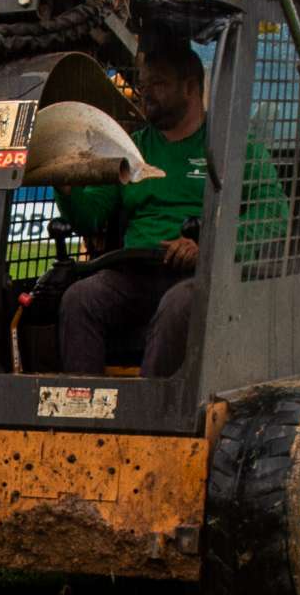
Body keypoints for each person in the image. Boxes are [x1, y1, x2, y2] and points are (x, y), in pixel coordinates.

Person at [51, 37, 220, 378]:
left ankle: (148, 412)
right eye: (143, 85)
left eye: (158, 84)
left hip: (201, 277)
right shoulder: (132, 149)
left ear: (190, 87)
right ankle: (82, 410)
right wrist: (66, 186)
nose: (146, 93)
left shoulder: (228, 145)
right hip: (137, 273)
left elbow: (270, 219)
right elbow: (93, 214)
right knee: (80, 299)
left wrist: (206, 248)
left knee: (179, 305)